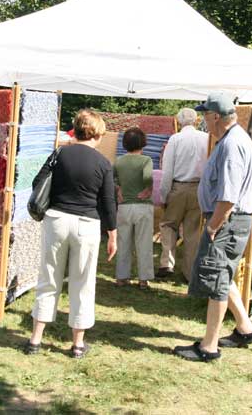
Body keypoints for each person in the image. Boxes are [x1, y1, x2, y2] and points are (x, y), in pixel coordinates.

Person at [173, 93, 252, 362]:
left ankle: (209, 347)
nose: (203, 122)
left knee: (217, 280)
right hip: (231, 220)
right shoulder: (234, 139)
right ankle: (246, 328)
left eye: (205, 116)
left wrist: (213, 225)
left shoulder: (232, 145)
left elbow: (228, 196)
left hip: (227, 220)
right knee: (223, 273)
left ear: (216, 117)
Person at [26, 109, 118, 359]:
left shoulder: (59, 153)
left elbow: (38, 183)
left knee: (49, 278)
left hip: (56, 219)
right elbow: (109, 203)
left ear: (76, 130)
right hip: (87, 224)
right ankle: (77, 344)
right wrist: (112, 235)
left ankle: (35, 339)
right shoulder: (103, 163)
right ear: (98, 133)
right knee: (83, 283)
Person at [157, 108, 209, 280]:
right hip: (199, 189)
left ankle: (167, 263)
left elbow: (167, 170)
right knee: (192, 232)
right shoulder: (206, 138)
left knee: (168, 225)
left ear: (179, 121)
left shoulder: (175, 139)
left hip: (178, 188)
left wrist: (164, 195)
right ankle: (190, 272)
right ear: (196, 120)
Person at [113, 127, 154, 289]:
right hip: (143, 206)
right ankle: (144, 279)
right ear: (143, 143)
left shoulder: (118, 161)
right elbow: (147, 176)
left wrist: (118, 188)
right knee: (144, 243)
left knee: (123, 242)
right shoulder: (146, 160)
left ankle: (121, 277)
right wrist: (148, 189)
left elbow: (112, 177)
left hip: (124, 207)